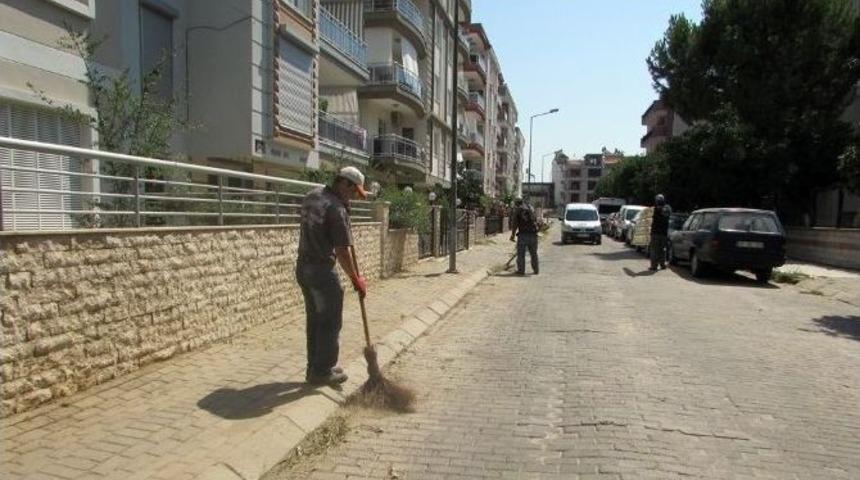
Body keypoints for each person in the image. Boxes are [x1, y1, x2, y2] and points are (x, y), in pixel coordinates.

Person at [296, 167, 369, 385]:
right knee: (329, 320)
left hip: (303, 268)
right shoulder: (336, 208)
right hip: (321, 271)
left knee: (315, 320)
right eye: (354, 192)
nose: (354, 197)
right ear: (344, 184)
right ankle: (323, 371)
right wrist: (356, 278)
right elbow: (342, 251)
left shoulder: (313, 195)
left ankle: (315, 367)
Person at [510, 196, 540, 275]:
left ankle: (521, 270)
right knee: (534, 254)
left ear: (516, 203)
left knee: (521, 254)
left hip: (523, 235)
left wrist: (512, 235)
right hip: (533, 234)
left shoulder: (518, 210)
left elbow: (515, 224)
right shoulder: (530, 208)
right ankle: (536, 270)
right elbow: (536, 220)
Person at [650, 194, 672, 271]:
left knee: (655, 250)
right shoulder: (668, 208)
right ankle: (662, 265)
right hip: (663, 233)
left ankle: (654, 266)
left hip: (656, 233)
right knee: (662, 249)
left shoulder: (656, 209)